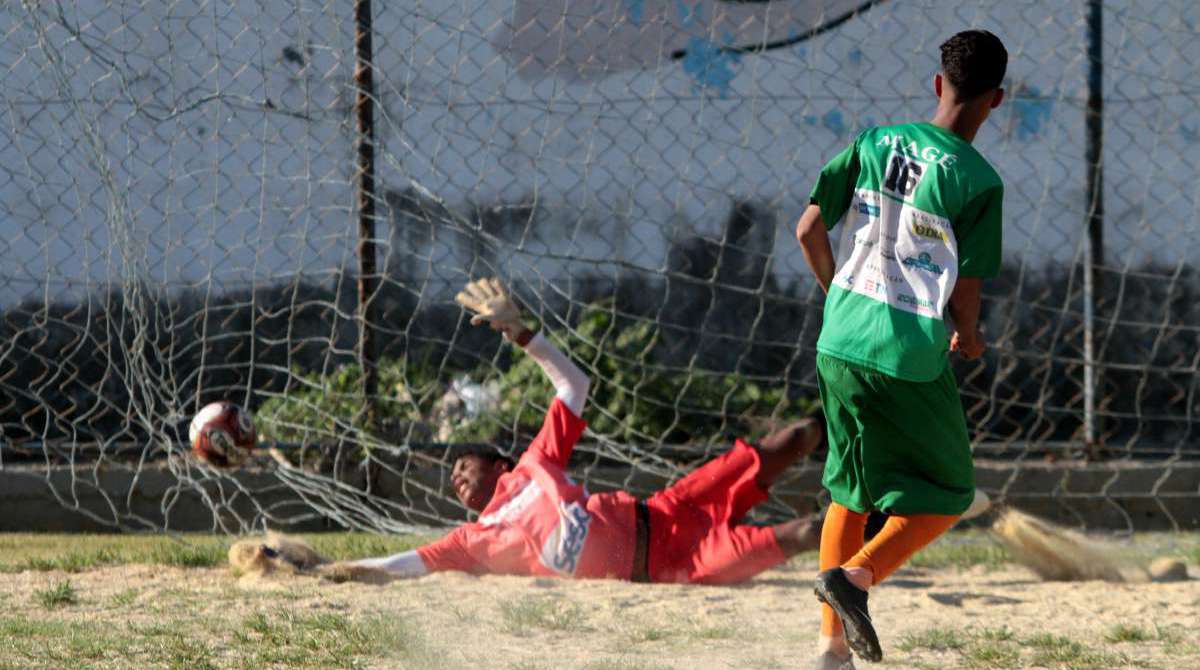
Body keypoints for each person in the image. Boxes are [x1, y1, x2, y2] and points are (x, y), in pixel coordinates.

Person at [344, 277, 823, 584]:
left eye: (463, 463)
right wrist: (333, 570)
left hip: (669, 509)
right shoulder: (472, 539)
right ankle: (887, 531)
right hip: (676, 565)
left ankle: (869, 422)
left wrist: (521, 334)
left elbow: (574, 384)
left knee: (793, 439)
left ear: (500, 465)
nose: (456, 476)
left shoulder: (535, 464)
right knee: (806, 531)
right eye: (452, 476)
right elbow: (404, 563)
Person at [794, 30, 1008, 669]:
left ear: (938, 84)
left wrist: (839, 297)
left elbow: (808, 227)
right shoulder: (977, 181)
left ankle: (831, 651)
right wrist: (968, 338)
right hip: (905, 355)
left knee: (850, 494)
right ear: (996, 100)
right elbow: (964, 293)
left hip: (838, 342)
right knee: (947, 493)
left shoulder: (874, 140)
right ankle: (855, 578)